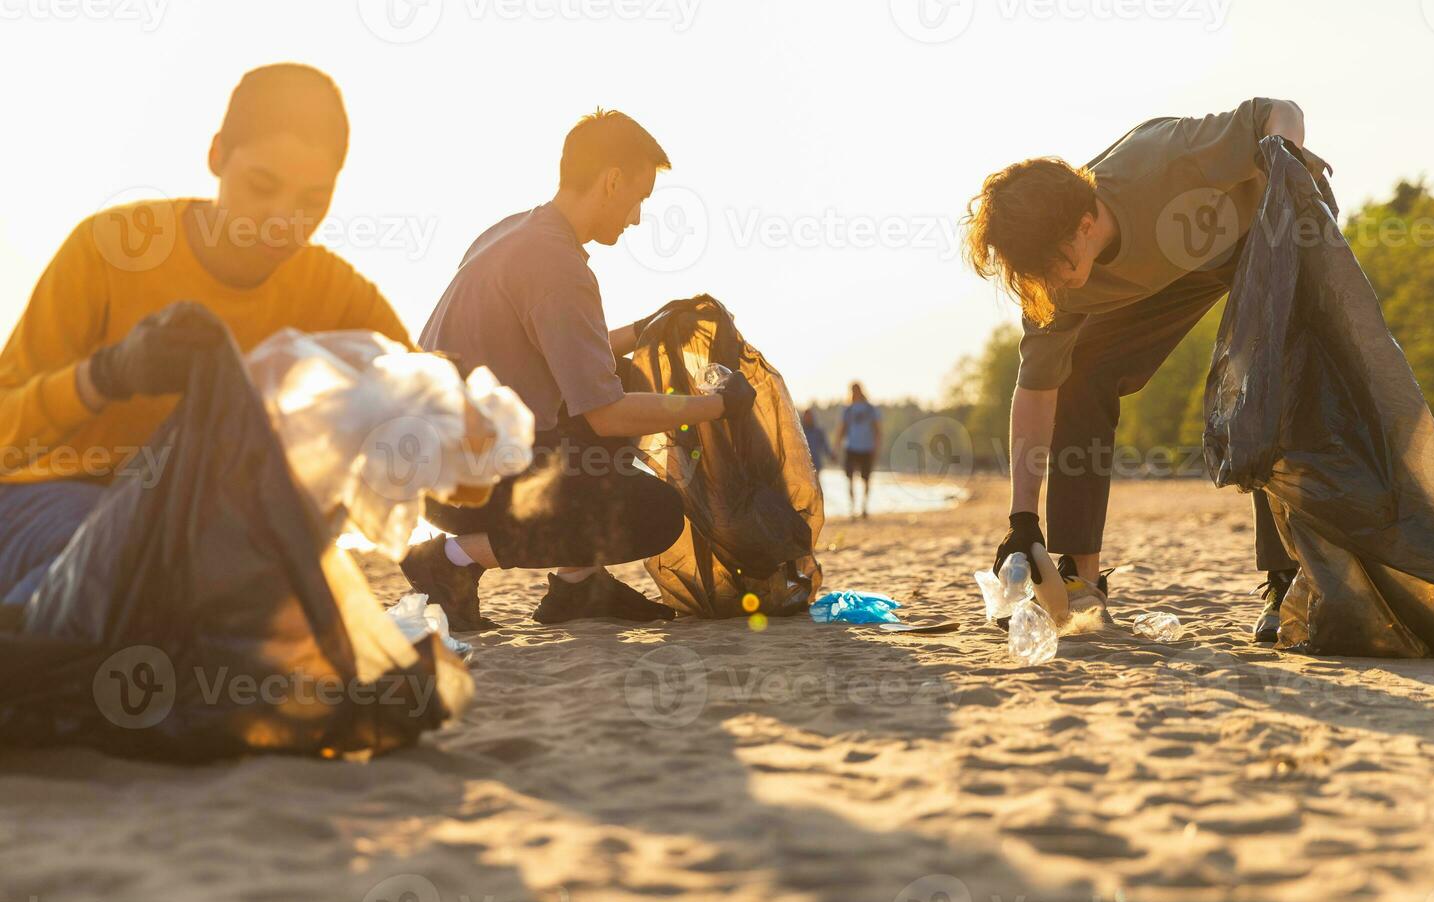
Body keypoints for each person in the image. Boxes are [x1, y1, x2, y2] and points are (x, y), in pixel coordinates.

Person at [0, 64, 408, 608]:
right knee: (127, 568)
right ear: (217, 155)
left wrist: (453, 425)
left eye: (313, 199)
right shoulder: (108, 249)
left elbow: (436, 404)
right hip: (54, 499)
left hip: (206, 526)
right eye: (262, 186)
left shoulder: (334, 291)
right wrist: (104, 376)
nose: (283, 220)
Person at [964, 98, 1329, 642]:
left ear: (1086, 225)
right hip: (1173, 274)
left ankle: (1286, 574)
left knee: (1264, 375)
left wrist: (1286, 156)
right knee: (1080, 373)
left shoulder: (1165, 160)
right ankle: (1083, 577)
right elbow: (1036, 392)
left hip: (1263, 236)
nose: (1045, 283)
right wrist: (1022, 521)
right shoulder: (1052, 282)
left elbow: (1279, 110)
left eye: (1050, 266)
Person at [402, 109, 757, 629]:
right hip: (460, 482)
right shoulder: (557, 266)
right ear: (612, 181)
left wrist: (647, 328)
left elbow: (561, 352)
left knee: (625, 375)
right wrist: (719, 405)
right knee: (655, 512)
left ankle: (578, 586)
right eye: (639, 199)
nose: (636, 218)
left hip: (435, 465)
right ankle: (450, 560)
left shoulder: (515, 232)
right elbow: (606, 416)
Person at [834, 382, 881, 519]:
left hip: (867, 447)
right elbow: (841, 429)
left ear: (861, 390)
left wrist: (876, 447)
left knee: (866, 479)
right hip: (851, 447)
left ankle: (864, 506)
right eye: (852, 390)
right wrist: (836, 447)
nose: (855, 393)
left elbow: (877, 429)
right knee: (850, 479)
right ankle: (852, 507)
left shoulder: (870, 409)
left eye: (856, 390)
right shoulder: (847, 410)